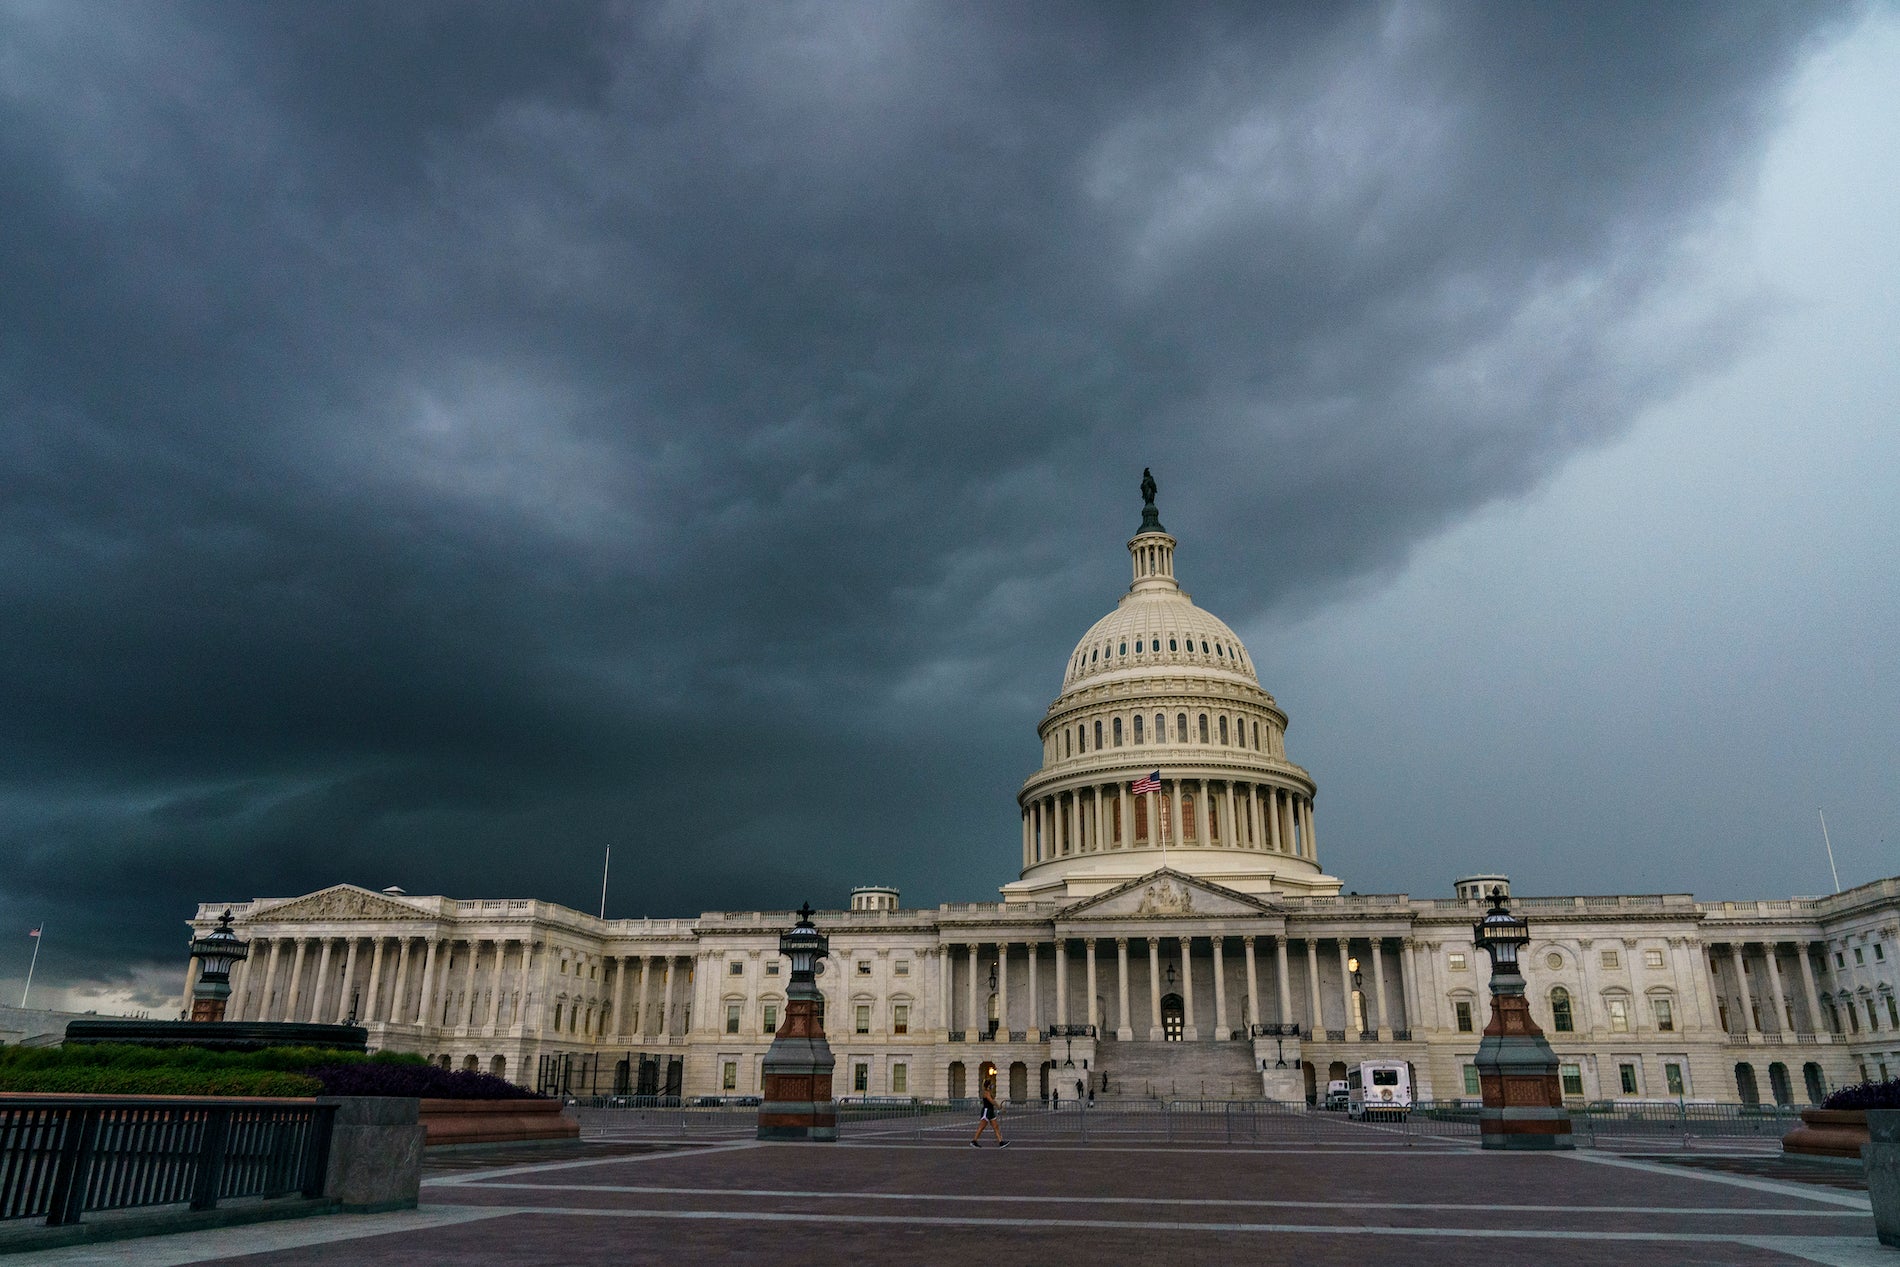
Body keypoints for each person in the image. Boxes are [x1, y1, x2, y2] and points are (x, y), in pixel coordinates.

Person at [970, 1078, 1008, 1147]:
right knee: (982, 1127)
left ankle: (1001, 1142)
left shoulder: (989, 1092)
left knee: (996, 1126)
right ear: (988, 1085)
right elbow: (991, 1101)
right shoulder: (986, 1093)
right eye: (991, 1084)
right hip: (986, 1111)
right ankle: (974, 1141)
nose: (992, 1086)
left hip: (991, 1111)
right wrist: (999, 1106)